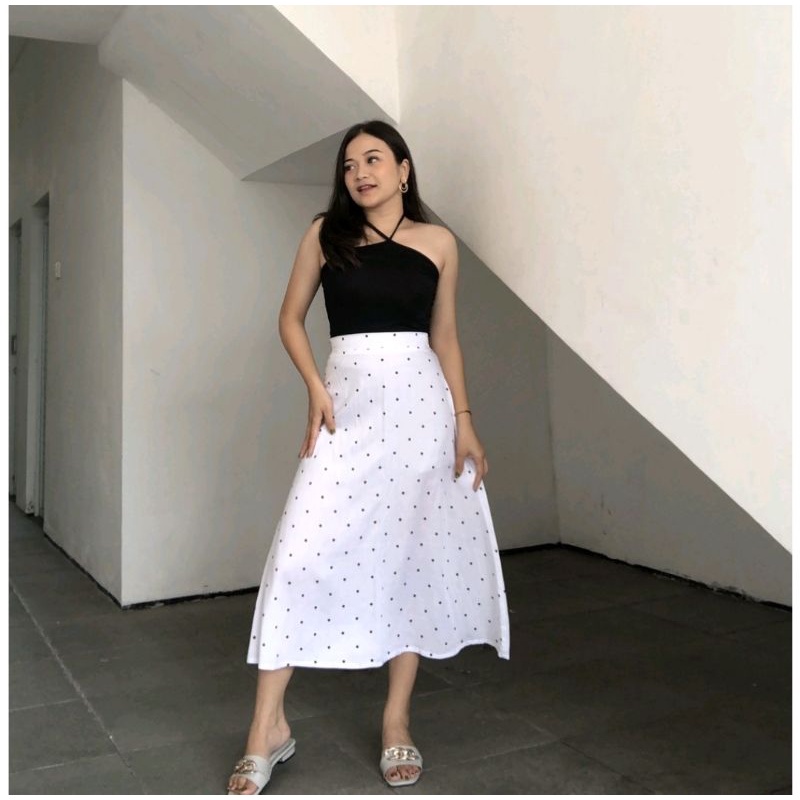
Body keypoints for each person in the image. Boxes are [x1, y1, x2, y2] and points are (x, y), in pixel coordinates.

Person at [227, 120, 510, 795]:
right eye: (350, 164)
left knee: (408, 555)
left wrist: (464, 422)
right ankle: (267, 728)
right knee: (297, 555)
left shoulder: (438, 243)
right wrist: (316, 387)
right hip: (347, 407)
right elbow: (290, 318)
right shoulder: (325, 234)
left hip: (422, 413)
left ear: (404, 170)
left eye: (374, 159)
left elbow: (445, 336)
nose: (360, 173)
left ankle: (396, 720)